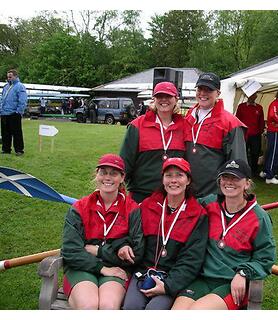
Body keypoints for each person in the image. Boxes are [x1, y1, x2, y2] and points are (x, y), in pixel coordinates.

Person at [172, 159, 276, 310]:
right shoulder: (209, 204)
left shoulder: (259, 217)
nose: (229, 182)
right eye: (225, 177)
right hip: (202, 278)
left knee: (197, 312)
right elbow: (183, 210)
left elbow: (266, 257)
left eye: (235, 178)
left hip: (231, 282)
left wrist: (243, 273)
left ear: (247, 183)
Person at [122, 157, 208, 310]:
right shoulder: (148, 206)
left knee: (155, 310)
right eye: (169, 175)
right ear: (162, 179)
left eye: (179, 175)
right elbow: (129, 234)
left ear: (188, 180)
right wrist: (124, 244)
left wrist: (168, 286)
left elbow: (192, 259)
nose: (173, 180)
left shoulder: (198, 214)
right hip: (143, 273)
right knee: (131, 307)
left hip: (172, 278)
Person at [61, 154, 144, 309]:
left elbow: (137, 254)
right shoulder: (79, 208)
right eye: (103, 172)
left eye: (113, 173)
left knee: (108, 306)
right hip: (82, 268)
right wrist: (102, 268)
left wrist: (99, 251)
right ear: (96, 174)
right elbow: (71, 251)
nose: (108, 177)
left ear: (122, 177)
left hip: (118, 270)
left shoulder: (132, 209)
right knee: (88, 305)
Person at [120, 82, 185, 203]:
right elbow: (125, 164)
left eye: (168, 96)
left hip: (174, 196)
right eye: (160, 96)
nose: (164, 100)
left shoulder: (185, 126)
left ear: (176, 99)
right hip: (142, 196)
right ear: (153, 99)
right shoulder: (137, 126)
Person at [184, 72, 248, 197]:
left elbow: (238, 164)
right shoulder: (188, 117)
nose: (203, 93)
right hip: (186, 192)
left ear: (218, 93)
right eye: (200, 89)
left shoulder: (230, 123)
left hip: (213, 195)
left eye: (208, 90)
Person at [260, 88, 278, 184]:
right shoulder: (275, 104)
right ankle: (270, 176)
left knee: (271, 152)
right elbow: (273, 115)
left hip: (276, 131)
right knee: (274, 152)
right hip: (275, 131)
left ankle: (266, 171)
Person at [235, 92, 265, 177]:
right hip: (244, 135)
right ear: (248, 96)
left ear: (256, 96)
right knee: (243, 153)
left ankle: (254, 171)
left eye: (254, 95)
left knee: (255, 153)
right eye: (251, 95)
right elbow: (237, 120)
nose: (253, 97)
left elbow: (261, 122)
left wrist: (260, 131)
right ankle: (242, 170)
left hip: (255, 135)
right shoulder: (241, 107)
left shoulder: (259, 108)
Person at [0, 69, 27, 156]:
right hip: (4, 113)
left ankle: (19, 150)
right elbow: (2, 99)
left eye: (10, 77)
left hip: (14, 114)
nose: (9, 78)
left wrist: (18, 111)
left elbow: (22, 100)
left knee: (16, 133)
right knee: (5, 133)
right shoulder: (5, 87)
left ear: (15, 76)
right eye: (8, 77)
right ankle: (6, 149)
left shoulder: (20, 86)